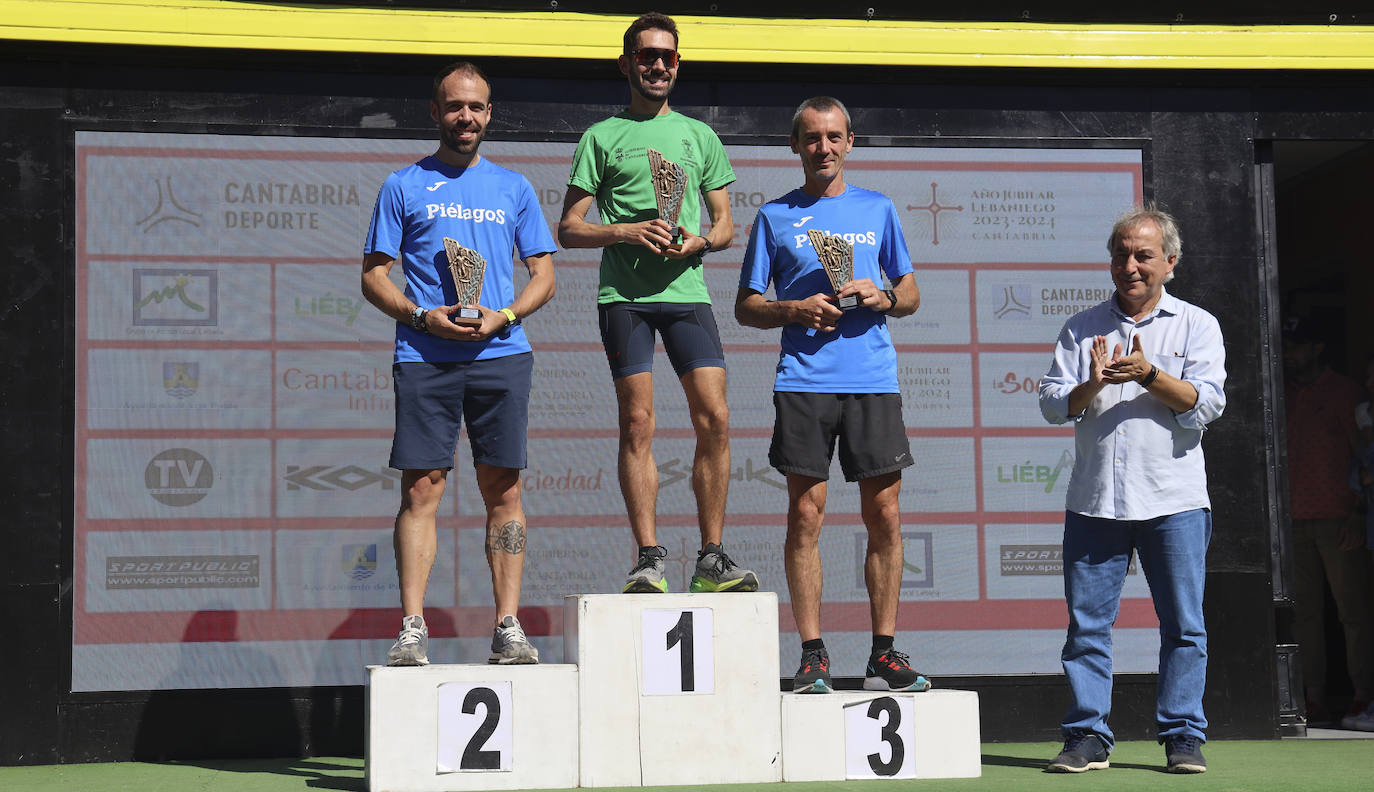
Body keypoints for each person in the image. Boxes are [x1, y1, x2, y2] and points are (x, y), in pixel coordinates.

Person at [361, 61, 557, 666]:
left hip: (501, 354)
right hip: (425, 355)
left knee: (505, 489)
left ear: (489, 113)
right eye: (454, 106)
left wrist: (506, 316)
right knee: (422, 488)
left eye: (475, 107)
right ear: (435, 112)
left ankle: (507, 625)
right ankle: (413, 626)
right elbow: (373, 277)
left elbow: (544, 275)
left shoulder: (514, 187)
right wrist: (422, 317)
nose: (465, 117)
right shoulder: (403, 184)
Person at [558, 12, 757, 594]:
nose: (658, 64)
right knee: (638, 422)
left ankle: (712, 557)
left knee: (714, 418)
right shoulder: (601, 136)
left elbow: (724, 226)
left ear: (678, 64)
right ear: (626, 64)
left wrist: (700, 241)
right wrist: (622, 231)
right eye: (646, 55)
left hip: (686, 293)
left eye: (667, 56)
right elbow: (569, 228)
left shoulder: (700, 136)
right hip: (626, 298)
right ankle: (648, 557)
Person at [735, 96, 927, 694]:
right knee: (805, 515)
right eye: (812, 138)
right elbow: (746, 307)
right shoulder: (773, 216)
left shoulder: (879, 209)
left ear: (850, 143)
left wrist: (884, 298)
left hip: (872, 379)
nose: (824, 148)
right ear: (796, 145)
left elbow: (912, 292)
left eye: (834, 137)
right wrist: (793, 307)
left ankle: (884, 652)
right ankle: (813, 652)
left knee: (886, 516)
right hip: (805, 380)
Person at [1038, 206, 1225, 773]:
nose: (1130, 265)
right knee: (1087, 627)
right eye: (1121, 254)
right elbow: (1051, 404)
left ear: (1170, 262)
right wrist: (1091, 383)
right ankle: (1088, 736)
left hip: (1174, 500)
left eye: (1143, 255)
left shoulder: (1197, 324)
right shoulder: (1081, 326)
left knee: (1183, 627)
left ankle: (1183, 737)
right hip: (1096, 500)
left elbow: (1208, 404)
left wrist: (1149, 375)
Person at [1282, 317, 1374, 727]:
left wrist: (1357, 512)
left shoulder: (1345, 393)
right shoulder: (1280, 392)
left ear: (1318, 347)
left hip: (1338, 517)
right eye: (1287, 346)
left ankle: (1363, 696)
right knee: (1305, 615)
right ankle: (1312, 697)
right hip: (1292, 520)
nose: (1290, 354)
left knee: (1352, 612)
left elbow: (1365, 457)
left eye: (1298, 346)